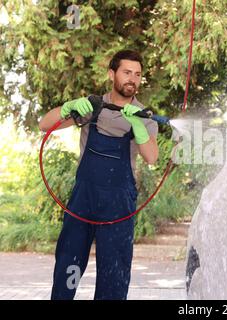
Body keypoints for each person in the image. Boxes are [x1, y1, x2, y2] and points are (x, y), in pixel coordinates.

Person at [38, 50, 159, 300]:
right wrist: (67, 108)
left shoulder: (144, 117)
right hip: (83, 201)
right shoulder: (92, 107)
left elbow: (151, 157)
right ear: (111, 74)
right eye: (127, 72)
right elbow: (44, 125)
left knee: (113, 276)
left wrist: (137, 126)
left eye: (137, 75)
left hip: (118, 207)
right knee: (67, 268)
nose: (132, 79)